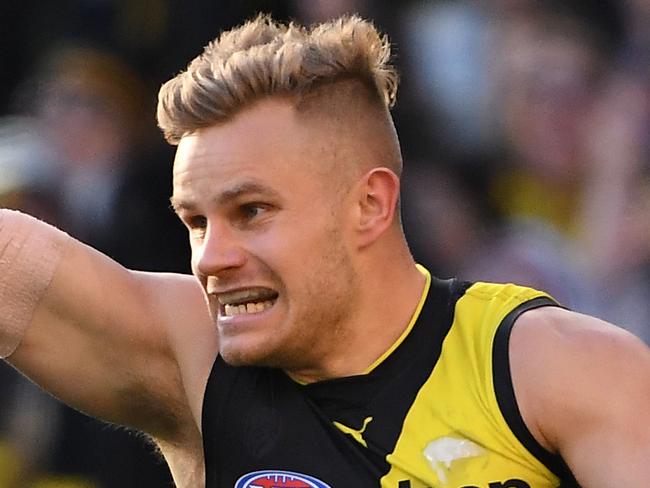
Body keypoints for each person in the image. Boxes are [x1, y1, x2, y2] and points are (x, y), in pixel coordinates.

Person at [1, 14, 649, 488]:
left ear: (369, 205)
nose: (211, 257)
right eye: (196, 221)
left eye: (251, 212)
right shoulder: (193, 360)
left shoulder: (554, 369)